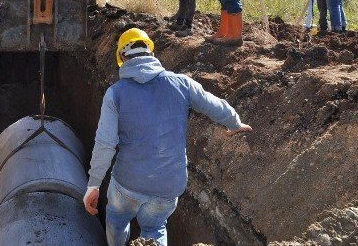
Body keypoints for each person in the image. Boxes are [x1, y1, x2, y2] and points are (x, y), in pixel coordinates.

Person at [83, 28, 252, 246]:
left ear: (121, 59)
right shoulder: (182, 84)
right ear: (152, 55)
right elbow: (215, 106)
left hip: (127, 184)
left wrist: (93, 185)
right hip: (168, 186)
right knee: (154, 227)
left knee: (116, 219)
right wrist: (235, 123)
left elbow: (105, 144)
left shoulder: (115, 93)